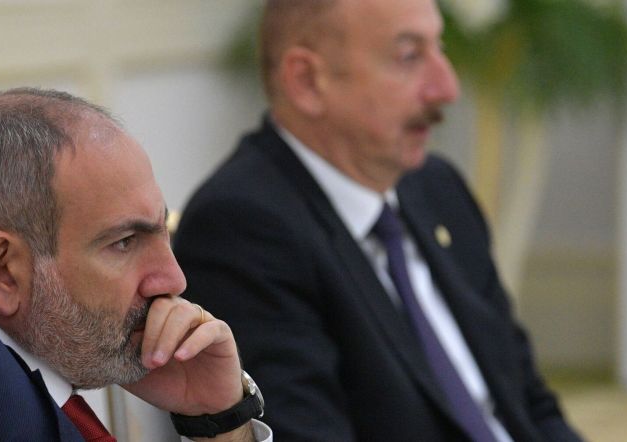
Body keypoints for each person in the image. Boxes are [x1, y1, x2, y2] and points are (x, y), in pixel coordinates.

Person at [172, 0, 583, 440]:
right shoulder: (243, 228)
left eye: (440, 48)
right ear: (307, 81)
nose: (447, 88)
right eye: (409, 56)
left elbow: (528, 401)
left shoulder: (436, 187)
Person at [0, 88, 269, 441]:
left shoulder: (38, 385)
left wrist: (218, 422)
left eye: (162, 232)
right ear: (4, 271)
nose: (174, 279)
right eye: (124, 242)